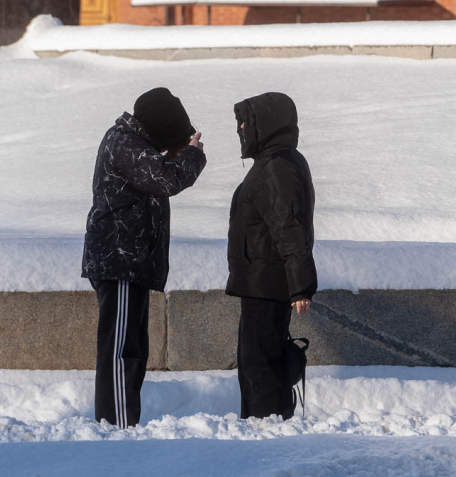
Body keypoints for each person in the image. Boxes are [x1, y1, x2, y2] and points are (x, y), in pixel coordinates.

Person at [82, 87, 206, 428]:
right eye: (172, 136)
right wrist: (191, 154)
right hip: (119, 262)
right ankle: (116, 428)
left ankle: (123, 423)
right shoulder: (124, 142)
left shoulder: (134, 143)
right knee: (121, 351)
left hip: (130, 264)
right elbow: (166, 178)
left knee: (132, 350)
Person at [226, 91, 317, 420]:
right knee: (258, 362)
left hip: (267, 285)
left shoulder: (276, 168)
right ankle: (262, 429)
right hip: (260, 283)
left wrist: (299, 286)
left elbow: (288, 228)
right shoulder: (274, 162)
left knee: (259, 365)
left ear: (265, 125)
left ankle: (267, 434)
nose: (239, 128)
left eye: (245, 122)